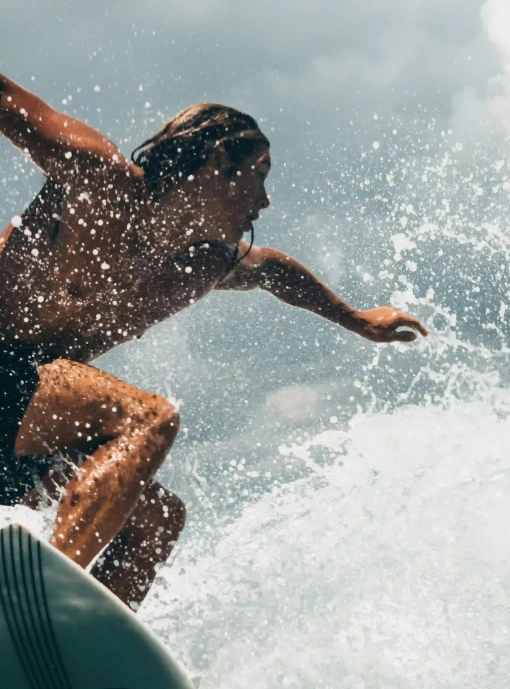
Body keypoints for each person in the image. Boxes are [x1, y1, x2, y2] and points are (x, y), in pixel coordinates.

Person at [0, 73, 429, 609]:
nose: (266, 201)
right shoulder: (102, 183)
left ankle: (72, 653)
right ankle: (37, 606)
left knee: (157, 522)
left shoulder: (198, 265)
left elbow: (273, 272)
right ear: (217, 161)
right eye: (260, 175)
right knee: (148, 418)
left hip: (20, 420)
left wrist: (359, 320)